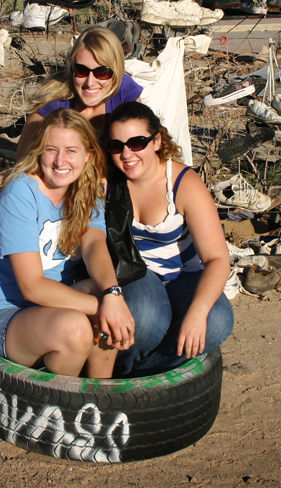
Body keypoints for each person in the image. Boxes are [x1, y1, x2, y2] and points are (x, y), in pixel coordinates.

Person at [0, 109, 135, 378]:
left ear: (88, 156)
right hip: (2, 313)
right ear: (38, 153)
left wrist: (112, 294)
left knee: (104, 290)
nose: (60, 161)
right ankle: (64, 406)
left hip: (48, 309)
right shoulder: (20, 193)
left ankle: (99, 396)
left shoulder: (85, 189)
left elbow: (94, 243)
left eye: (71, 150)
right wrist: (105, 308)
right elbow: (32, 287)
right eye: (51, 150)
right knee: (78, 327)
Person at [105, 101, 233, 376]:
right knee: (146, 317)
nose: (127, 154)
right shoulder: (108, 182)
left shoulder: (182, 183)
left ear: (156, 141)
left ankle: (145, 374)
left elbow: (218, 258)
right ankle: (121, 373)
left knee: (216, 322)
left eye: (137, 142)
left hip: (184, 275)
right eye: (117, 146)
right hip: (136, 272)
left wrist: (197, 314)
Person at [0, 26, 141, 206]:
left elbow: (141, 153)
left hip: (115, 192)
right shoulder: (54, 100)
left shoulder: (126, 94)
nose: (90, 82)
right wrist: (7, 177)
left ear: (118, 71)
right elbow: (25, 158)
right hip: (64, 193)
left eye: (102, 72)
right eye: (80, 70)